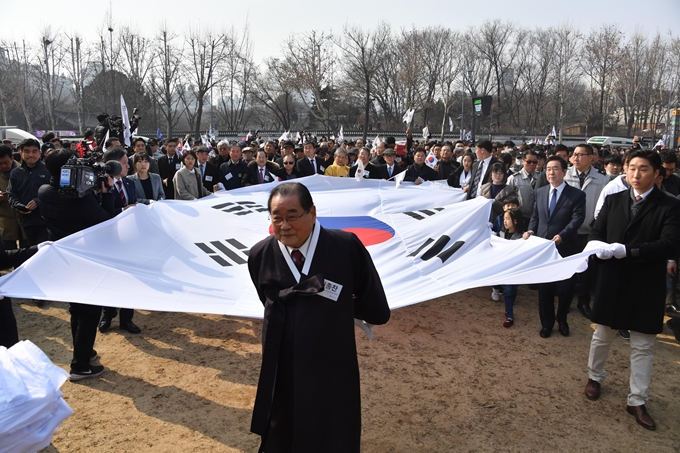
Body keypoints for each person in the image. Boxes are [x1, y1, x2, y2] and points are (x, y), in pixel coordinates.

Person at [247, 182, 390, 452]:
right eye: (277, 217)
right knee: (283, 432)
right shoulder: (260, 255)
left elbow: (374, 306)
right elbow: (265, 297)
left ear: (312, 213)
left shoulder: (345, 247)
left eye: (292, 216)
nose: (284, 225)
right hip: (281, 364)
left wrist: (337, 310)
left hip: (331, 365)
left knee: (331, 432)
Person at [584, 150, 680, 431]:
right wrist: (596, 248)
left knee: (643, 344)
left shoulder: (670, 206)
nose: (636, 175)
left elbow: (670, 244)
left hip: (646, 283)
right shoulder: (614, 200)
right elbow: (596, 231)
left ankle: (637, 399)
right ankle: (594, 377)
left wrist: (629, 251)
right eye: (632, 168)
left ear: (657, 174)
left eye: (644, 169)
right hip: (612, 279)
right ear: (625, 170)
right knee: (602, 334)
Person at [37, 148, 118, 381]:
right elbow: (105, 220)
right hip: (86, 259)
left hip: (64, 260)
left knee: (76, 309)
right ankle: (80, 366)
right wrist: (107, 192)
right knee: (89, 313)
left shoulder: (44, 191)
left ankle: (84, 352)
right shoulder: (80, 199)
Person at [524, 156, 586, 338]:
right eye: (548, 169)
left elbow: (578, 219)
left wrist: (563, 236)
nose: (551, 172)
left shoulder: (576, 195)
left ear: (564, 172)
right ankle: (547, 324)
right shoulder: (541, 191)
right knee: (545, 290)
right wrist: (530, 231)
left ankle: (562, 319)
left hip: (566, 249)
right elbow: (536, 216)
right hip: (545, 249)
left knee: (566, 289)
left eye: (555, 169)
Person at [98, 147, 141, 335]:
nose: (128, 166)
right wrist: (124, 211)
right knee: (110, 279)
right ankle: (107, 315)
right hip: (109, 240)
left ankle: (127, 319)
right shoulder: (100, 187)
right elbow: (102, 214)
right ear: (113, 165)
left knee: (130, 280)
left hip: (129, 239)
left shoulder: (129, 184)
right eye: (124, 163)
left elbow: (134, 202)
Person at [564, 143, 610, 319]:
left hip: (589, 231)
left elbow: (603, 207)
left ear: (591, 158)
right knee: (568, 267)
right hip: (568, 230)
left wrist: (595, 225)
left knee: (588, 269)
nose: (575, 158)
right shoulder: (565, 175)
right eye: (574, 154)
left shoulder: (602, 180)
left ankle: (583, 300)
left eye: (580, 155)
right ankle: (566, 299)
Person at [7, 139, 50, 246]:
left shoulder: (48, 170)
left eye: (34, 151)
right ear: (21, 153)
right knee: (28, 255)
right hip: (25, 223)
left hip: (45, 221)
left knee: (43, 252)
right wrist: (19, 206)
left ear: (40, 153)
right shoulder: (15, 173)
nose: (31, 155)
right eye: (27, 151)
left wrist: (38, 201)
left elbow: (55, 192)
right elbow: (11, 194)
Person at [499, 208, 524, 328]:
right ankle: (509, 314)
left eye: (508, 219)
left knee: (511, 290)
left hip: (515, 269)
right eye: (504, 219)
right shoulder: (501, 234)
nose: (505, 221)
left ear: (516, 221)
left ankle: (509, 313)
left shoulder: (521, 237)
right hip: (504, 268)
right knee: (508, 291)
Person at [0, 145, 25, 250]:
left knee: (26, 255)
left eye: (6, 162)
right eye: (0, 164)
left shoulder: (23, 171)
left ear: (12, 158)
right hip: (5, 221)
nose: (3, 166)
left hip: (24, 218)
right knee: (8, 254)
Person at [506, 150, 540, 225]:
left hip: (537, 217)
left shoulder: (541, 177)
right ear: (523, 161)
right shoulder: (514, 178)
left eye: (535, 162)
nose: (532, 164)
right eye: (529, 162)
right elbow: (507, 198)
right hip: (519, 217)